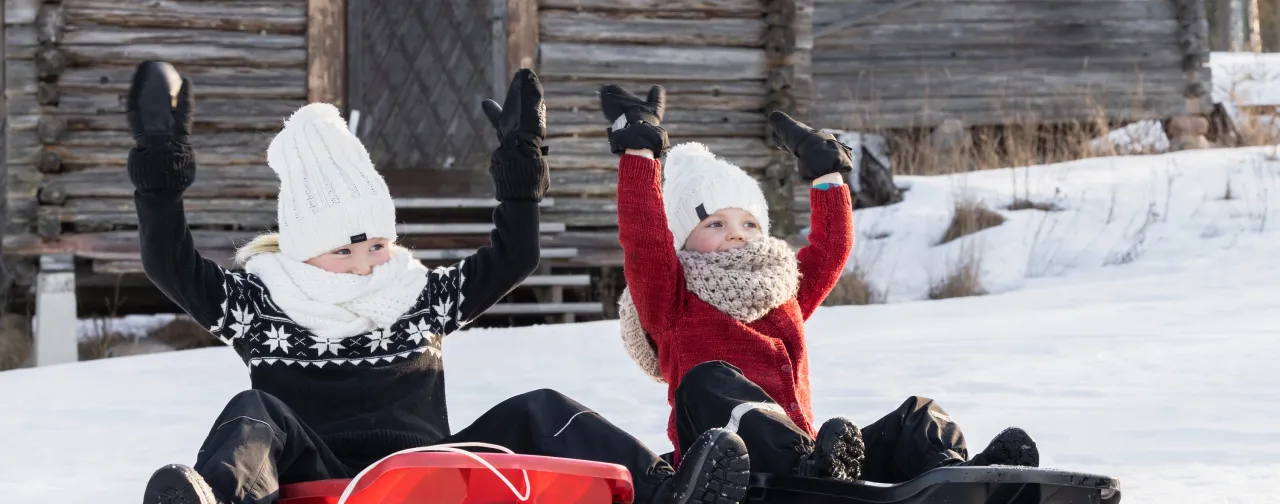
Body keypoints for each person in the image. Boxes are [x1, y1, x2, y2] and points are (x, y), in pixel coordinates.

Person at [128, 61, 751, 504]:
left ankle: (667, 490)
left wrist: (519, 171)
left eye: (376, 243)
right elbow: (169, 264)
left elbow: (513, 256)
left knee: (541, 408)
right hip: (310, 468)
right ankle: (223, 499)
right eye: (344, 251)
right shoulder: (262, 306)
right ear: (301, 251)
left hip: (428, 465)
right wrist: (160, 168)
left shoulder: (416, 297)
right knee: (256, 411)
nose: (368, 262)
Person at [600, 83, 1040, 485]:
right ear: (682, 240)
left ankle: (958, 479)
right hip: (736, 474)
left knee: (919, 417)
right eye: (715, 222)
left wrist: (827, 175)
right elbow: (643, 236)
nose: (737, 233)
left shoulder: (781, 291)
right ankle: (807, 466)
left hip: (819, 462)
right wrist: (640, 155)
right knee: (709, 380)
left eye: (750, 222)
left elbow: (831, 248)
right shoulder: (672, 302)